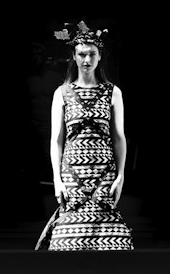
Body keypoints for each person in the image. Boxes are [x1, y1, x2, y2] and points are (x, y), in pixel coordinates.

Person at [37, 21, 134, 251]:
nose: (87, 60)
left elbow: (119, 137)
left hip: (104, 172)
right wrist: (57, 180)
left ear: (100, 56)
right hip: (73, 172)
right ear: (74, 56)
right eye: (82, 54)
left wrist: (120, 175)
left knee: (111, 240)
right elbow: (57, 139)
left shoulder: (112, 92)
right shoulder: (62, 93)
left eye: (92, 54)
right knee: (67, 239)